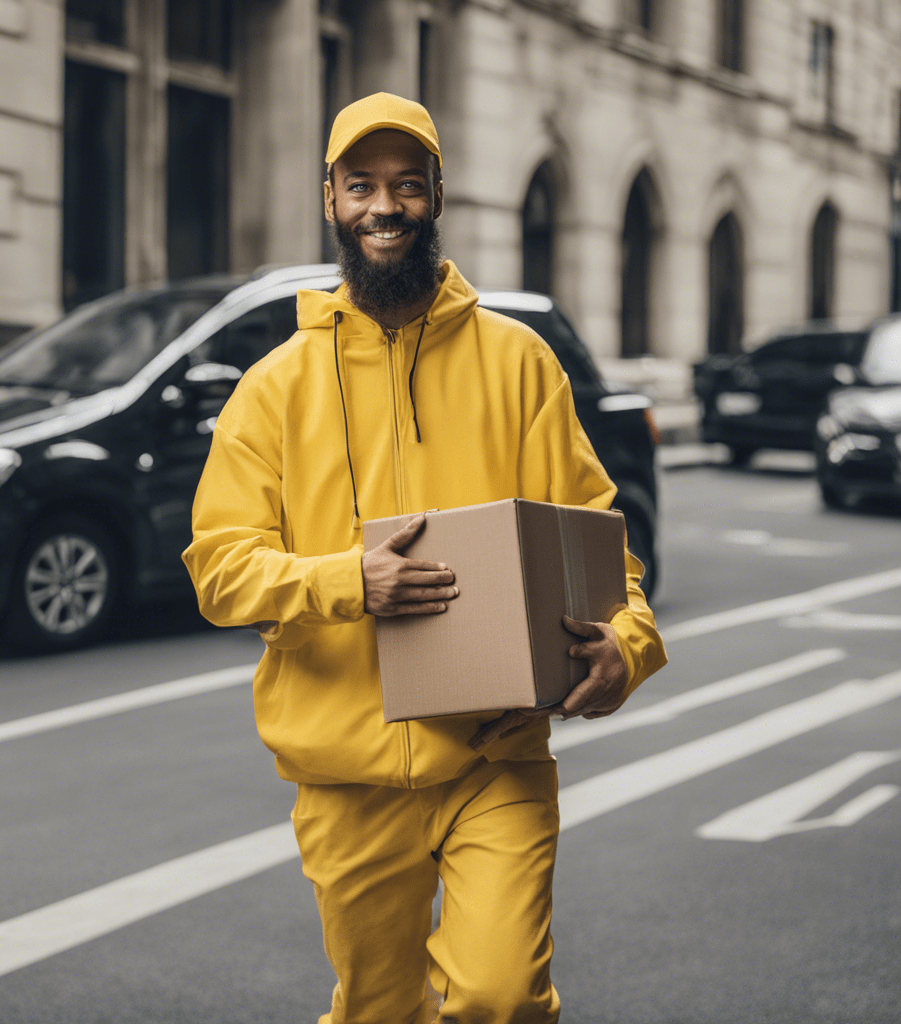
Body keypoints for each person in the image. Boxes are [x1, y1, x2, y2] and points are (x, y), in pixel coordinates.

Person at [183, 92, 667, 1024]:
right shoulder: (273, 388)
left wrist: (627, 646)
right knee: (378, 1010)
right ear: (330, 200)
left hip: (498, 756)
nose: (385, 206)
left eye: (408, 185)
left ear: (437, 196)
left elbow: (603, 549)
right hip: (347, 774)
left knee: (501, 997)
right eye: (361, 185)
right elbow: (219, 568)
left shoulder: (520, 362)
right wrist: (342, 582)